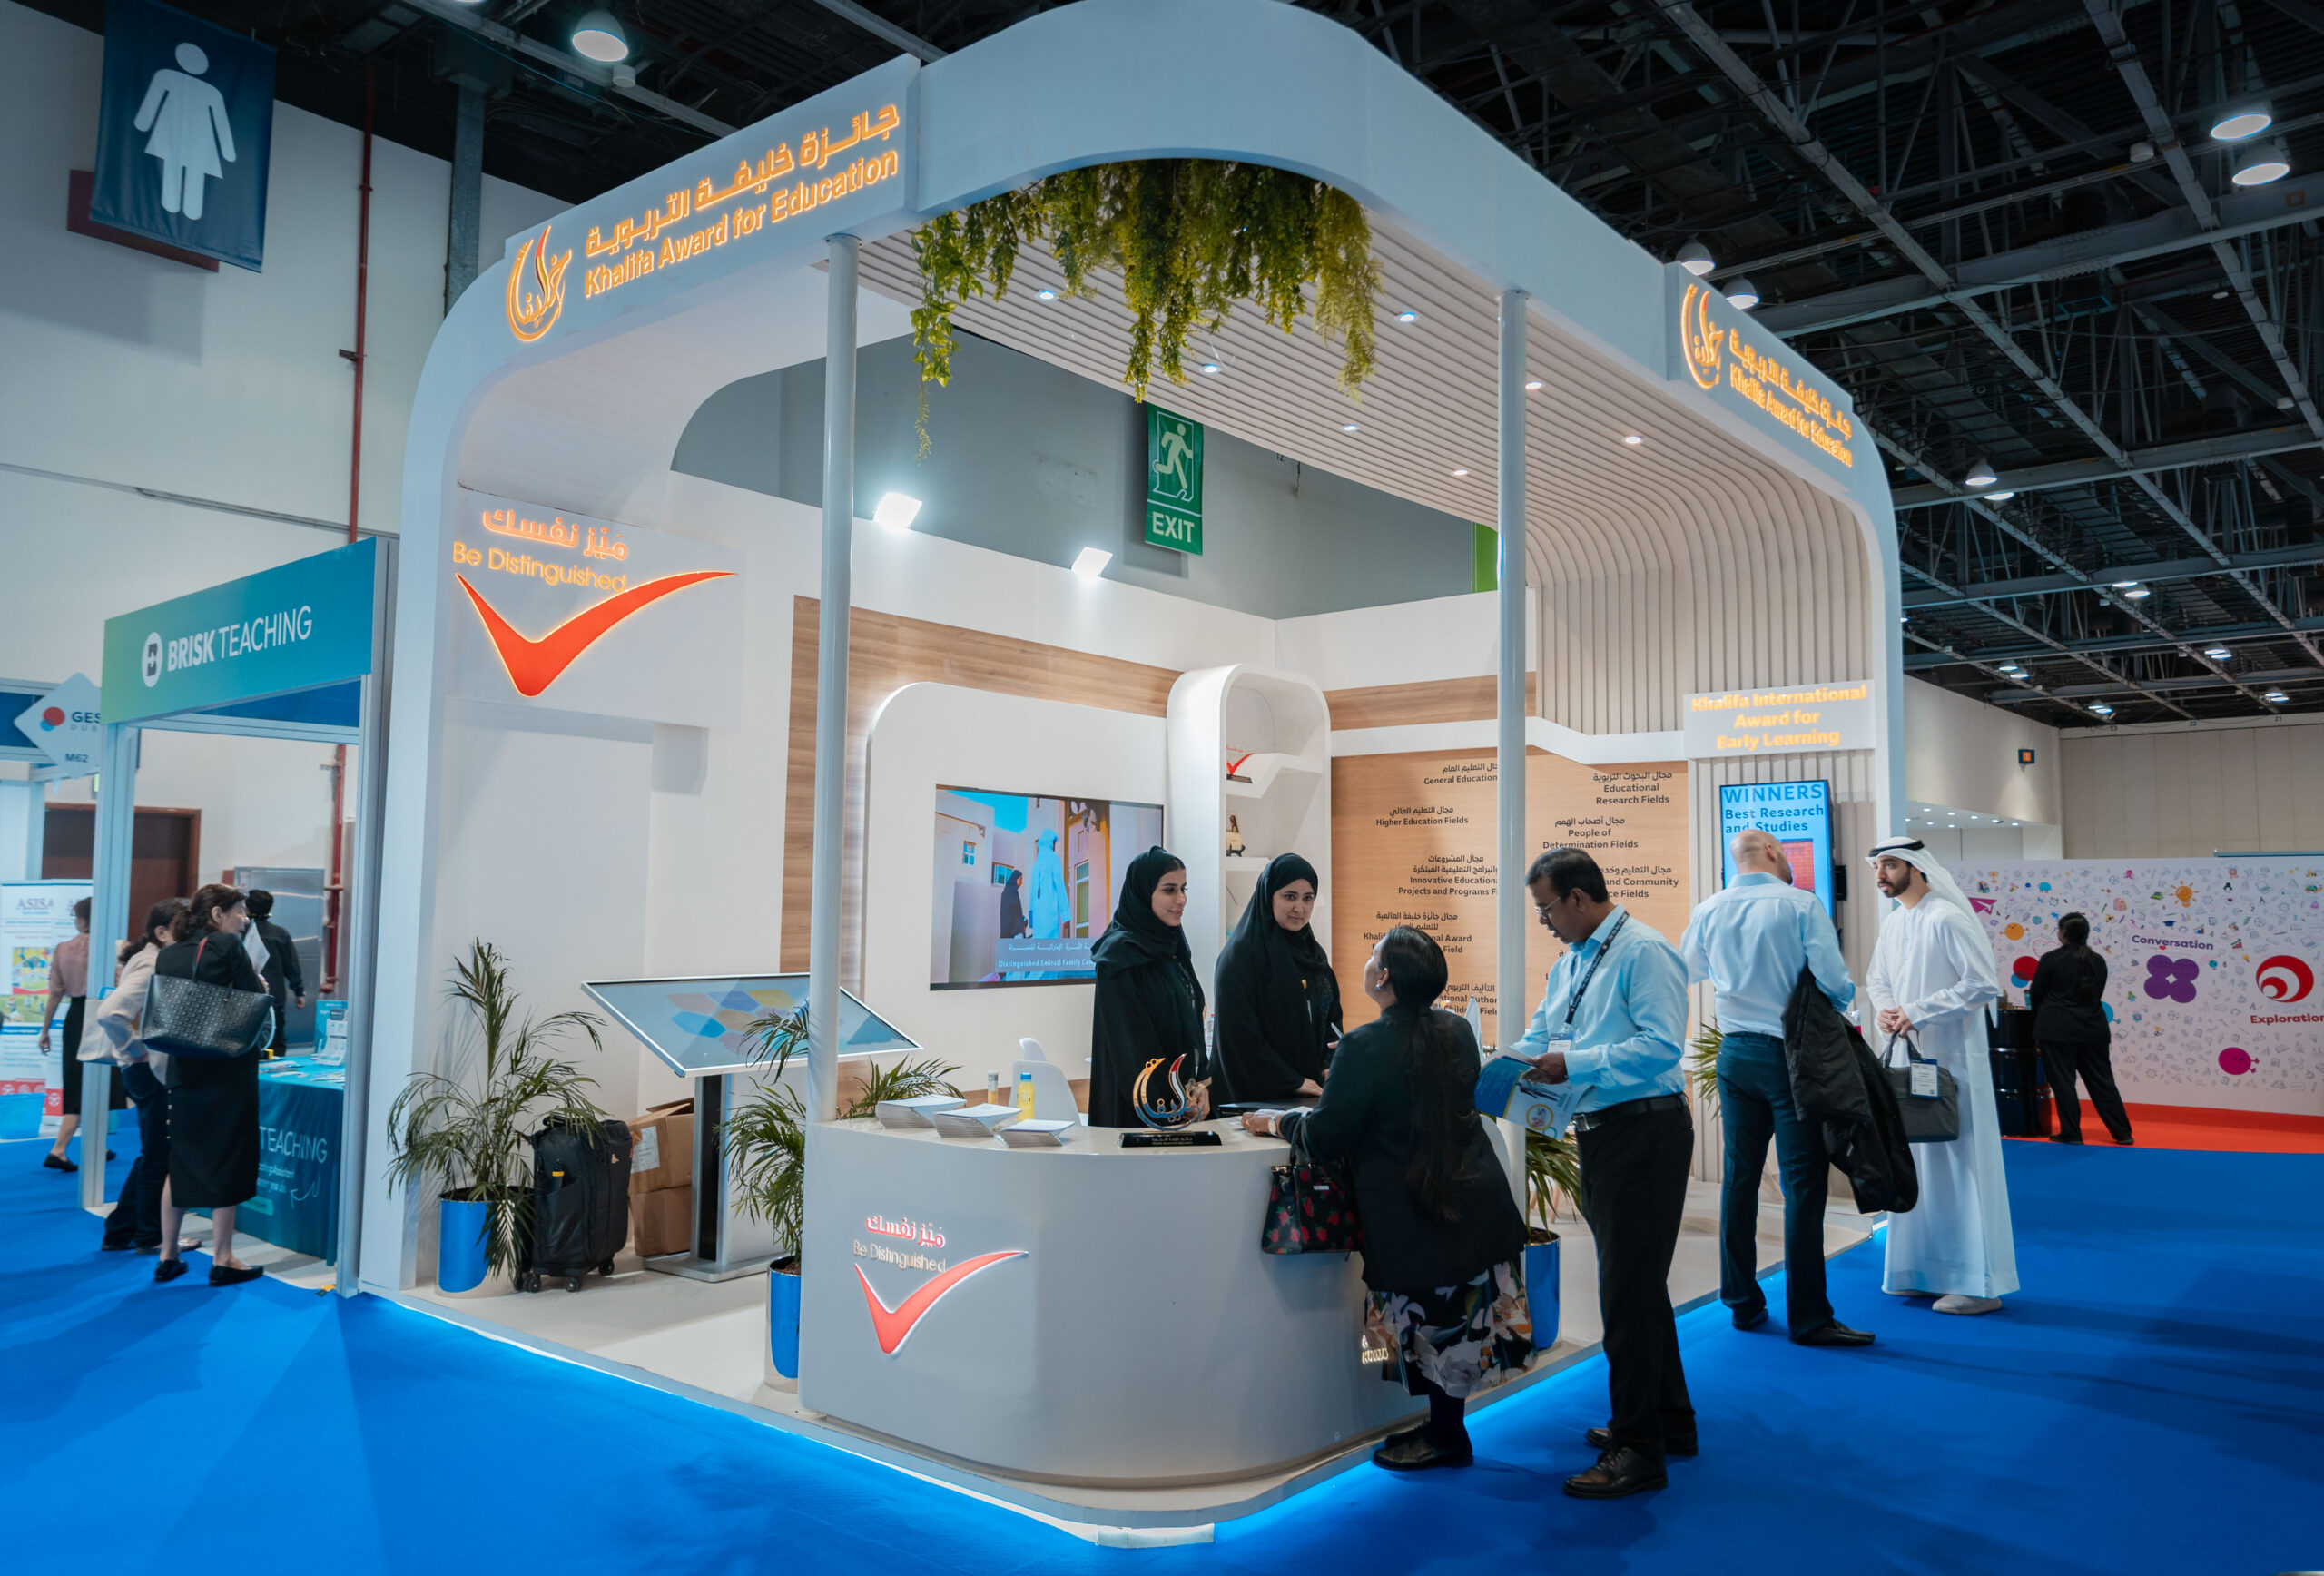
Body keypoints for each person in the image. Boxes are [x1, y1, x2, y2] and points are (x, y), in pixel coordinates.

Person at [1244, 926, 1529, 1472]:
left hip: (1414, 1216)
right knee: (1456, 1325)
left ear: (1385, 976)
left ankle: (1447, 1439)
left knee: (1430, 1328)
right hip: (1471, 1204)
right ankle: (1446, 1428)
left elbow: (1327, 1135)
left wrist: (1279, 1121)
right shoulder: (1455, 1030)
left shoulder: (1364, 1046)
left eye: (1373, 954)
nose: (1367, 961)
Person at [1515, 847, 1695, 1498]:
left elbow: (1661, 1046)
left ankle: (1639, 1448)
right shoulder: (1572, 960)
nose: (1544, 922)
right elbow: (1544, 1035)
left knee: (1625, 1293)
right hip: (1601, 1135)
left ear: (1579, 897)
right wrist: (1502, 1062)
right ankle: (1669, 1421)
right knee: (1638, 1287)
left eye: (1547, 909)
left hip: (1645, 1132)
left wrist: (1576, 1064)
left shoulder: (1643, 951)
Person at [1681, 829, 1873, 1347]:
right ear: (1770, 851)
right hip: (1791, 1057)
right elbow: (1835, 983)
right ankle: (1809, 1318)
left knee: (1739, 1179)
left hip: (1734, 1054)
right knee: (1802, 1184)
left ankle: (1742, 1303)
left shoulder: (1708, 908)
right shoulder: (1800, 904)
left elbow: (1689, 970)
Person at [1865, 836, 2017, 1315]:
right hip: (1909, 1061)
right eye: (1877, 866)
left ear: (1916, 867)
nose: (1880, 875)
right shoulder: (1895, 922)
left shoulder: (1946, 917)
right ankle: (1917, 1271)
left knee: (1961, 1166)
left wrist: (1917, 1011)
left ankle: (1977, 1284)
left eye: (1890, 865)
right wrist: (1887, 1011)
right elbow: (1877, 979)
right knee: (1915, 1163)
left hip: (1954, 1063)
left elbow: (1981, 983)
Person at [152, 884, 268, 1287]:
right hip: (226, 1069)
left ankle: (168, 1255)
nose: (245, 920)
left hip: (183, 1069)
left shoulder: (169, 952)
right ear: (218, 914)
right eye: (240, 912)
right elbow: (253, 999)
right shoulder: (226, 945)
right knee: (227, 1158)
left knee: (181, 1160)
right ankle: (223, 1258)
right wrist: (261, 984)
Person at [95, 899, 193, 1255]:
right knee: (158, 1156)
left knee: (154, 1152)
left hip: (143, 1070)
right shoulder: (152, 962)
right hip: (147, 1070)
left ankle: (120, 1231)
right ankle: (150, 1236)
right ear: (162, 932)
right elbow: (110, 1014)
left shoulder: (150, 958)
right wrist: (135, 1048)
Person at [1088, 847, 1210, 1128]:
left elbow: (1189, 1029)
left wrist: (1199, 1087)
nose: (1181, 899)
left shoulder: (1173, 947)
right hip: (1141, 1111)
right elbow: (1132, 1050)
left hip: (1183, 1107)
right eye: (1169, 890)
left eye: (1183, 889)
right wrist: (1171, 1104)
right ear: (1142, 894)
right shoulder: (1118, 956)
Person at [1212, 853, 1340, 1104]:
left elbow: (1332, 1019)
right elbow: (1240, 1037)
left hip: (1311, 1093)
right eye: (1289, 896)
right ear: (1268, 895)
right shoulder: (1240, 957)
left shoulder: (1314, 955)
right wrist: (1292, 1081)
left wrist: (1329, 1065)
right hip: (1256, 1100)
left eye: (1308, 898)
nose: (1299, 908)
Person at [2029, 913, 2132, 1147]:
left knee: (2063, 1082)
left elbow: (2036, 994)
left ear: (2063, 933)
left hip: (2056, 1029)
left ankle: (2072, 1133)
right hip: (2093, 1028)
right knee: (2102, 1081)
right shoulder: (2098, 961)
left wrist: (2042, 1018)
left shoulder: (2051, 959)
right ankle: (2122, 1132)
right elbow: (2097, 994)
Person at [38, 897, 122, 1172]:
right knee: (102, 1079)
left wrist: (45, 1030)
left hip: (75, 1017)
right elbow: (121, 986)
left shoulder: (63, 949)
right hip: (103, 1012)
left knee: (76, 1080)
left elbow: (54, 993)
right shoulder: (111, 948)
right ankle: (59, 1149)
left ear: (82, 919)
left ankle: (95, 1144)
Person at [244, 890, 307, 1059]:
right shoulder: (280, 934)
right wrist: (299, 991)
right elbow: (291, 965)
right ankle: (276, 1069)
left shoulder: (239, 933)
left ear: (246, 907)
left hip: (244, 994)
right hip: (274, 995)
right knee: (275, 1037)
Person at [1027, 827, 1070, 940]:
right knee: (1051, 946)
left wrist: (1032, 920)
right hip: (1050, 913)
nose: (1055, 847)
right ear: (1050, 842)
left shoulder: (1036, 864)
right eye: (1054, 843)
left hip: (1037, 917)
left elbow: (1032, 894)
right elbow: (1060, 887)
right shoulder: (1054, 859)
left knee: (1039, 947)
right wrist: (1066, 916)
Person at [997, 869, 1027, 942]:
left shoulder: (1007, 891)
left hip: (1006, 932)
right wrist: (1023, 923)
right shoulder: (1013, 893)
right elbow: (1015, 913)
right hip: (1014, 933)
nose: (1021, 882)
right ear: (1016, 879)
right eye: (1020, 879)